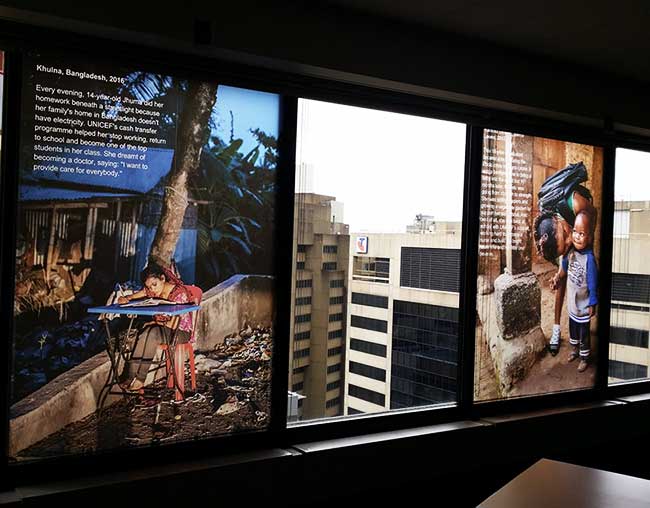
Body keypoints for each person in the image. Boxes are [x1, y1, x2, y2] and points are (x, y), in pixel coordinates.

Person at [534, 178, 598, 356]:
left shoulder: (577, 204)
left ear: (557, 219)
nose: (569, 241)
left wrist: (586, 237)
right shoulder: (550, 231)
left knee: (584, 271)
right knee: (563, 276)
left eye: (565, 235)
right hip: (570, 231)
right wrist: (558, 274)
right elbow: (563, 252)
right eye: (564, 246)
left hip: (584, 226)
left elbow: (594, 213)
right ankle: (556, 329)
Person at [118, 262, 193, 392]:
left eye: (155, 285)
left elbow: (173, 324)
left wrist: (153, 323)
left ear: (163, 279)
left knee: (151, 332)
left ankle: (139, 378)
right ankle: (130, 376)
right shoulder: (152, 291)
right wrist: (127, 298)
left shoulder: (179, 293)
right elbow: (143, 292)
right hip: (160, 330)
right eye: (149, 287)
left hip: (180, 332)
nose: (152, 289)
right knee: (146, 332)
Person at [549, 211, 598, 372]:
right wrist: (556, 278)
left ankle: (584, 357)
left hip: (583, 305)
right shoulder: (569, 253)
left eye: (582, 233)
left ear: (589, 237)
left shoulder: (589, 259)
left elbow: (592, 284)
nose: (577, 236)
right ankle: (575, 350)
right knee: (573, 330)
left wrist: (592, 303)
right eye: (575, 232)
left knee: (584, 333)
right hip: (572, 305)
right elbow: (563, 270)